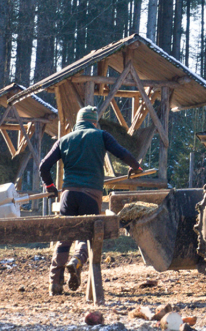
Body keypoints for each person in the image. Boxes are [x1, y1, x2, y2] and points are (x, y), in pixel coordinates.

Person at [39, 105, 144, 295]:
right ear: (94, 122)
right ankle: (77, 260)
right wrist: (135, 167)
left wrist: (50, 187)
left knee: (64, 237)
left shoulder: (64, 139)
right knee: (85, 235)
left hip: (68, 194)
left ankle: (55, 282)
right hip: (90, 194)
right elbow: (122, 153)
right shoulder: (101, 135)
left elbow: (43, 166)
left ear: (79, 122)